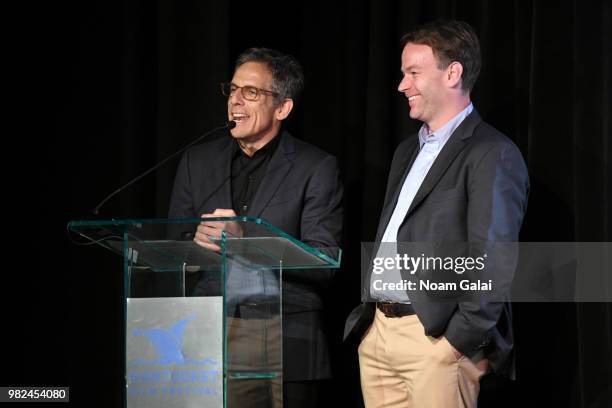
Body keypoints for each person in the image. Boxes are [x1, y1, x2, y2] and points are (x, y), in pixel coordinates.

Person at [344, 20, 529, 407]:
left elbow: (492, 259)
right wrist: (371, 330)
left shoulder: (492, 152)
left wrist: (456, 342)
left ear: (453, 73)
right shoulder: (405, 152)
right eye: (402, 73)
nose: (402, 85)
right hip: (379, 333)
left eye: (413, 72)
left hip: (434, 340)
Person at [168, 47, 343, 407]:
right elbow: (172, 244)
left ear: (282, 108)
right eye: (232, 90)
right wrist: (195, 240)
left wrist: (246, 238)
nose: (236, 101)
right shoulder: (196, 161)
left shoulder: (315, 167)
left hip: (282, 334)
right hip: (206, 328)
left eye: (251, 92)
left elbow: (324, 260)